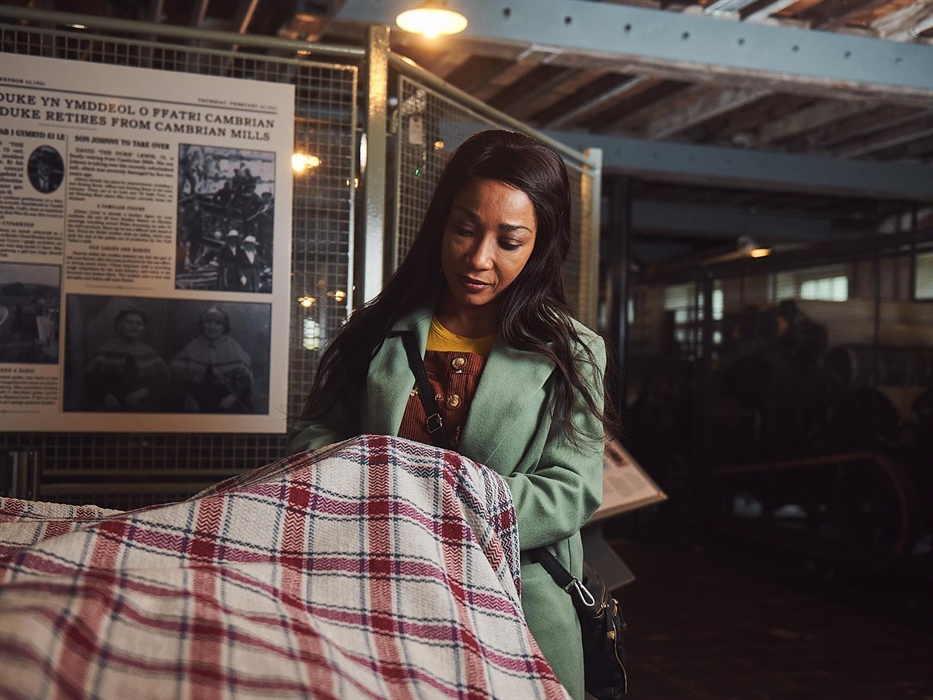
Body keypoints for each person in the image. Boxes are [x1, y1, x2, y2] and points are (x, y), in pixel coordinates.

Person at [287, 129, 612, 699]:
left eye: (509, 241)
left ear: (542, 244)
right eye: (464, 229)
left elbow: (572, 489)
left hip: (516, 600)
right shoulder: (376, 329)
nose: (479, 258)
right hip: (378, 585)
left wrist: (443, 508)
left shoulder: (571, 352)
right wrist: (358, 486)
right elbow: (316, 432)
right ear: (441, 220)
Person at [171, 306, 253, 413]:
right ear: (202, 325)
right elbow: (176, 377)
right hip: (197, 402)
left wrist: (231, 398)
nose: (212, 327)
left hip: (228, 402)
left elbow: (246, 380)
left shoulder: (234, 348)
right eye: (208, 322)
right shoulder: (191, 347)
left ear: (224, 327)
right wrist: (187, 398)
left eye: (217, 323)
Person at [85, 309, 168, 412]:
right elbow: (91, 378)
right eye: (129, 322)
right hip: (112, 406)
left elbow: (161, 378)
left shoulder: (149, 352)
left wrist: (142, 392)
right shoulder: (106, 350)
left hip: (142, 405)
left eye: (139, 324)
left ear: (143, 328)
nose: (134, 327)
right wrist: (105, 395)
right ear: (120, 326)